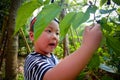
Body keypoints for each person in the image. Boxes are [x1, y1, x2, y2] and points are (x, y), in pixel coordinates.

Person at [24, 17, 102, 80]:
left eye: (57, 33)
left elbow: (57, 69)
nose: (55, 36)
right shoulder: (32, 61)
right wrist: (87, 46)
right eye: (49, 31)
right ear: (32, 36)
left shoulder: (52, 56)